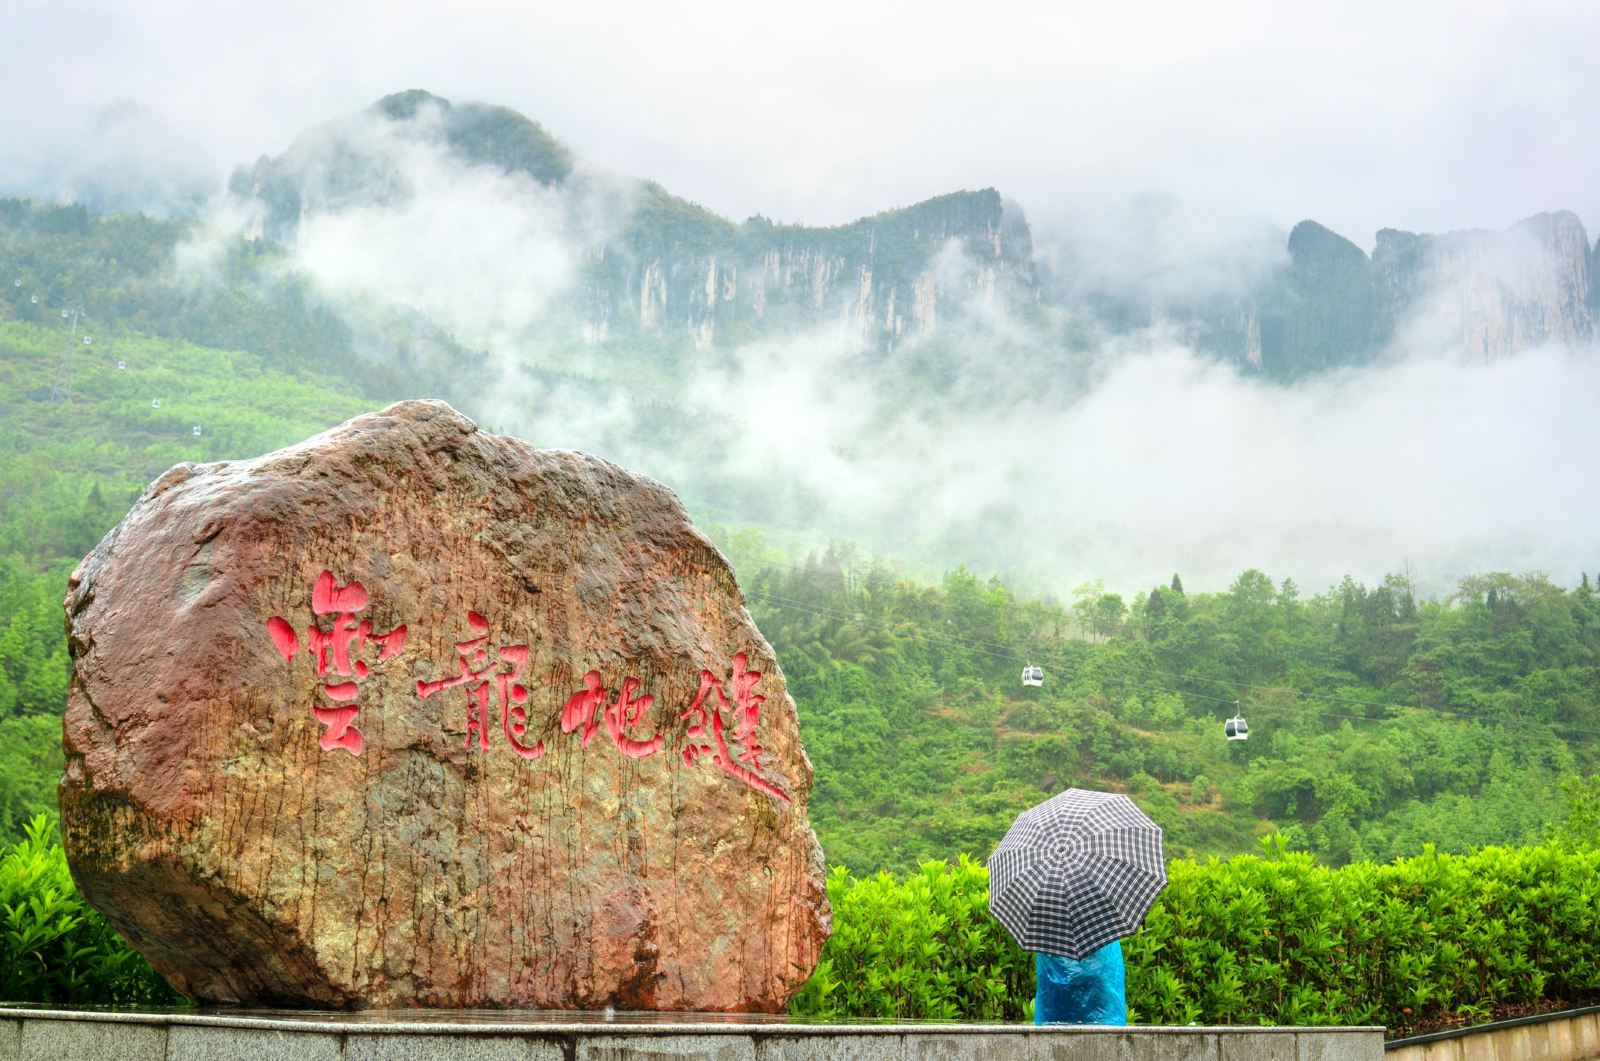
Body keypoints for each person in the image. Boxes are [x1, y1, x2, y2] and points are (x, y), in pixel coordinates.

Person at [1034, 938, 1127, 1025]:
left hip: (1055, 1011)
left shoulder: (1048, 931)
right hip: (1100, 1012)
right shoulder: (1104, 929)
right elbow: (1108, 973)